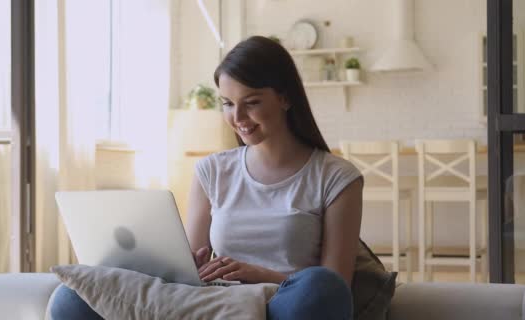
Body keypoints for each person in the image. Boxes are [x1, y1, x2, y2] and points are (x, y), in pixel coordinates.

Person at [50, 35, 363, 320]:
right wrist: (188, 266)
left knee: (322, 287)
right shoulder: (212, 170)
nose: (237, 118)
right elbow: (190, 268)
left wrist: (259, 274)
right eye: (227, 104)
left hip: (281, 305)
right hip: (214, 304)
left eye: (251, 103)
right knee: (74, 295)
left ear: (284, 98)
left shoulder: (336, 177)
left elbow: (337, 285)